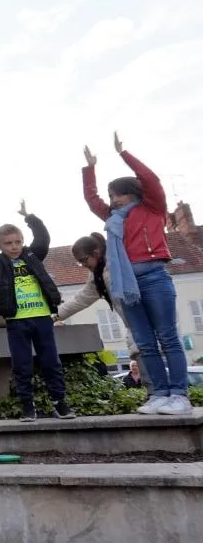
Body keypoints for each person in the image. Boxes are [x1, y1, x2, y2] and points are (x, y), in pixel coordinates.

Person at [82, 134, 189, 415]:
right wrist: (90, 168)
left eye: (118, 194)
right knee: (144, 343)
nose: (113, 200)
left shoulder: (153, 208)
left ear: (133, 192)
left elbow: (151, 179)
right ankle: (159, 395)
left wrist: (123, 154)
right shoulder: (113, 219)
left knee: (167, 337)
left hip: (154, 277)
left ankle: (179, 395)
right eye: (111, 196)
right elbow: (92, 200)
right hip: (127, 285)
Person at [0, 202, 74, 422]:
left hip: (42, 317)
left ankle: (59, 403)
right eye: (8, 243)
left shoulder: (33, 256)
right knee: (21, 365)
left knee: (51, 362)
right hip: (17, 321)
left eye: (17, 242)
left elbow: (43, 238)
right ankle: (28, 406)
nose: (14, 247)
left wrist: (30, 218)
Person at [55, 232, 152, 395]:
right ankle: (155, 394)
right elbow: (81, 299)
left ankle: (163, 394)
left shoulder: (116, 262)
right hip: (133, 323)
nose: (83, 265)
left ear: (96, 253)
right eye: (79, 262)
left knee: (147, 352)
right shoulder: (97, 275)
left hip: (144, 317)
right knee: (140, 353)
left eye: (83, 260)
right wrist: (51, 315)